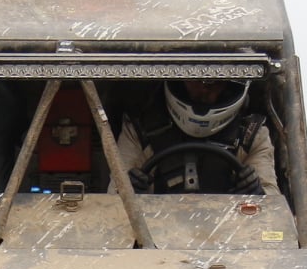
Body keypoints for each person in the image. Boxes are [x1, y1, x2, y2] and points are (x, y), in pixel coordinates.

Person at [114, 78, 279, 196]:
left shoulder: (252, 134)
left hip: (230, 239)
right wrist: (130, 194)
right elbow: (111, 200)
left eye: (215, 82)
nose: (204, 89)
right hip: (153, 240)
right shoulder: (139, 129)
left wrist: (257, 194)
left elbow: (274, 208)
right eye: (195, 78)